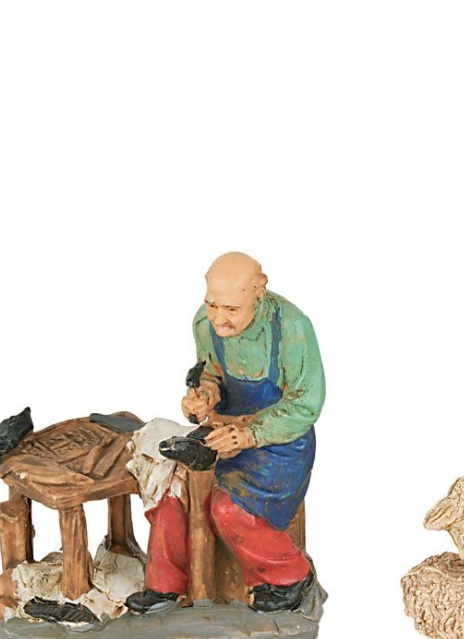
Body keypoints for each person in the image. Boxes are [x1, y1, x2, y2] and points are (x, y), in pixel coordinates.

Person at [127, 252, 325, 614]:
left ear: (259, 293)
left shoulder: (292, 327)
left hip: (280, 441)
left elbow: (305, 405)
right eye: (212, 304)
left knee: (228, 508)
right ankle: (166, 586)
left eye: (232, 309)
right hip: (222, 431)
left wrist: (248, 436)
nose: (219, 318)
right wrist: (203, 398)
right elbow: (211, 374)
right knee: (173, 486)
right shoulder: (205, 323)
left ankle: (290, 576)